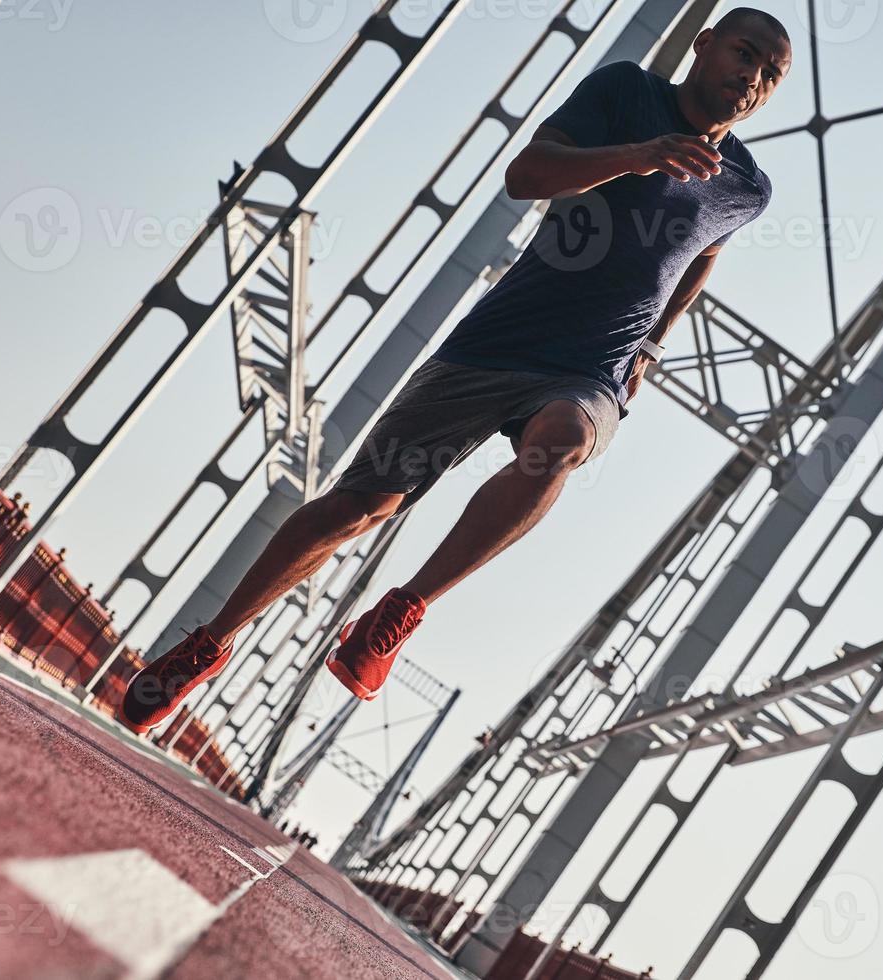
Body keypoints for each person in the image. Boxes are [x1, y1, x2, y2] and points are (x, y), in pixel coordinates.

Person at [117, 9, 791, 735]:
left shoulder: (748, 189)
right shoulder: (626, 92)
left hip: (591, 366)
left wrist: (652, 346)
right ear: (705, 44)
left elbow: (702, 257)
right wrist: (639, 154)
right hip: (495, 343)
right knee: (358, 508)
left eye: (770, 72)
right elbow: (528, 173)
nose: (751, 77)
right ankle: (210, 641)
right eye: (745, 53)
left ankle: (403, 609)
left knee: (560, 443)